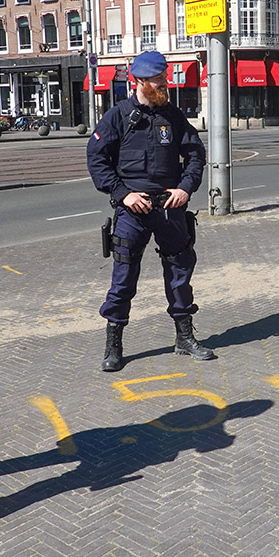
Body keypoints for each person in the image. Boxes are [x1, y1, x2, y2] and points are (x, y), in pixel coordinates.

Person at [87, 50, 215, 372]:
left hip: (170, 209)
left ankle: (184, 338)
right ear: (140, 81)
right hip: (133, 210)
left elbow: (196, 154)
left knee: (180, 275)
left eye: (164, 78)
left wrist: (186, 187)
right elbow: (97, 159)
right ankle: (113, 345)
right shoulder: (117, 116)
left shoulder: (173, 116)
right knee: (123, 279)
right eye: (159, 80)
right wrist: (122, 194)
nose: (164, 83)